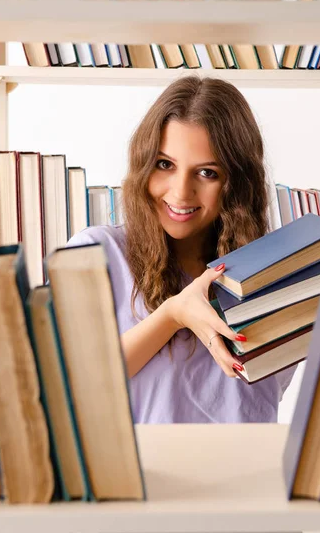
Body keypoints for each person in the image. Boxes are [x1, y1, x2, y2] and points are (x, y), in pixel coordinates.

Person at [67, 76, 296, 423]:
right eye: (164, 165)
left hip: (245, 474)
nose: (180, 192)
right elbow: (67, 387)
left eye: (207, 172)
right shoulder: (94, 254)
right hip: (132, 476)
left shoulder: (270, 279)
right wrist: (173, 315)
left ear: (237, 183)